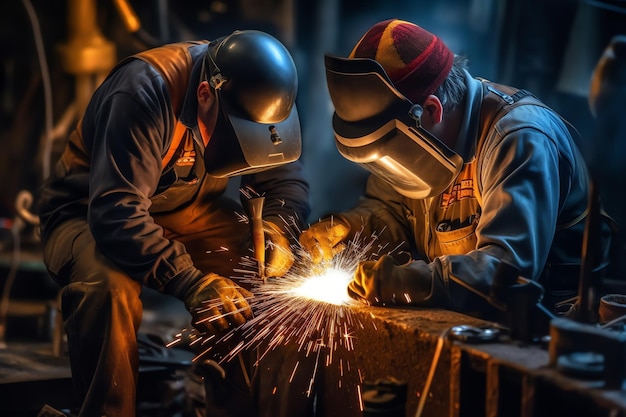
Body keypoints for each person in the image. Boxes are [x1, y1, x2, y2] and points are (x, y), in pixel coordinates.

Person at [37, 29, 310, 416]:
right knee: (107, 285)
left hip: (186, 213)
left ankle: (235, 407)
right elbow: (117, 210)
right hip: (88, 214)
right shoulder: (143, 92)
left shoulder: (263, 97)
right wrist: (190, 281)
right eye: (236, 136)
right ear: (204, 96)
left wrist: (280, 229)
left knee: (258, 269)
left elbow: (284, 180)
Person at [300, 19, 613, 319]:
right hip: (462, 315)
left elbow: (506, 271)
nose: (389, 163)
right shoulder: (423, 138)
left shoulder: (517, 139)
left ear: (433, 110)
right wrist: (350, 227)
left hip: (549, 328)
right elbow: (392, 209)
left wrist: (409, 282)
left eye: (392, 148)